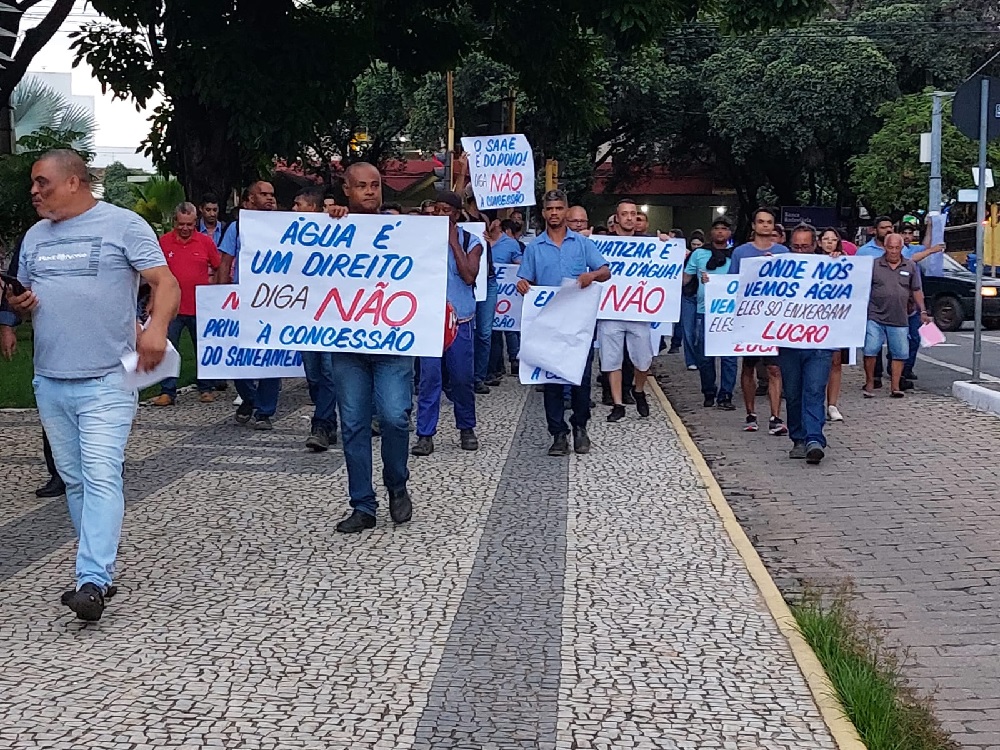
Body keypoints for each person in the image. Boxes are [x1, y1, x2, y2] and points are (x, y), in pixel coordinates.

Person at [6, 149, 180, 621]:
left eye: (42, 182)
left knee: (101, 474)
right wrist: (19, 305)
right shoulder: (35, 236)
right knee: (77, 480)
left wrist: (157, 329)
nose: (34, 191)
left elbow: (165, 283)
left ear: (74, 182)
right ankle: (97, 571)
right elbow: (23, 296)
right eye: (33, 184)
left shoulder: (123, 225)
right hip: (50, 379)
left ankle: (92, 579)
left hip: (106, 379)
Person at [329, 163, 415, 533]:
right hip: (347, 345)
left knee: (395, 416)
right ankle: (363, 504)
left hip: (392, 342)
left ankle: (396, 482)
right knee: (353, 425)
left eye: (375, 185)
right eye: (361, 186)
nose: (369, 191)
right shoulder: (330, 229)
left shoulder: (401, 230)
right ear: (346, 190)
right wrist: (329, 221)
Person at [516, 190, 610, 456]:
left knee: (581, 377)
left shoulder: (581, 244)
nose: (554, 213)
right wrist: (522, 284)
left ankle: (580, 427)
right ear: (544, 213)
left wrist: (592, 275)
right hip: (548, 323)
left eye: (559, 208)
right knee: (552, 380)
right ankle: (557, 433)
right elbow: (525, 279)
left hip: (578, 322)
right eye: (550, 209)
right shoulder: (534, 248)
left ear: (566, 210)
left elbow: (606, 271)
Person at [412, 191, 481, 457]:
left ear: (457, 213)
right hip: (429, 319)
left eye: (446, 210)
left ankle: (466, 427)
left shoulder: (471, 241)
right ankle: (425, 434)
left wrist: (453, 242)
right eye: (437, 209)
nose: (441, 215)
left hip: (460, 319)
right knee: (429, 379)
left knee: (462, 378)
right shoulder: (421, 241)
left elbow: (469, 276)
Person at [1, 234, 65, 498]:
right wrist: (7, 325)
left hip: (99, 338)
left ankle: (104, 465)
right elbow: (14, 286)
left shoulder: (108, 228)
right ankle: (59, 472)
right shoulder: (33, 237)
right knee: (53, 403)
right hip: (50, 337)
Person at [218, 181, 283, 429]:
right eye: (263, 194)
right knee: (238, 356)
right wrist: (221, 297)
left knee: (272, 357)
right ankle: (249, 397)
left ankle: (264, 411)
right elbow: (225, 262)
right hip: (243, 300)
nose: (270, 198)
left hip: (276, 301)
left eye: (272, 194)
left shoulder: (284, 227)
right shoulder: (237, 227)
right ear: (249, 200)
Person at [151, 202, 221, 406]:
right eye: (181, 224)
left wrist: (215, 293)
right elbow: (155, 273)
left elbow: (218, 266)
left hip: (200, 305)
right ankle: (167, 391)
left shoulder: (205, 242)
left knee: (203, 348)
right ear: (175, 222)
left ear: (195, 222)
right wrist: (154, 301)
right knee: (169, 350)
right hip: (171, 307)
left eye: (189, 224)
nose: (185, 228)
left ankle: (206, 388)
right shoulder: (164, 242)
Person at [777, 225, 834, 464]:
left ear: (815, 245)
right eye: (796, 246)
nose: (800, 251)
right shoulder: (779, 268)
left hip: (819, 342)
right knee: (792, 393)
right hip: (789, 342)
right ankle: (798, 439)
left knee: (814, 390)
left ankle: (814, 439)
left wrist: (838, 263)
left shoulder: (829, 266)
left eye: (805, 246)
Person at [729, 207, 789, 435]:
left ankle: (775, 417)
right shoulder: (741, 252)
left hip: (773, 318)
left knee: (774, 368)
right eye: (761, 221)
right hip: (749, 318)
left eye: (769, 222)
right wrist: (710, 282)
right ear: (754, 226)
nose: (765, 225)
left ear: (774, 226)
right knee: (748, 366)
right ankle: (751, 413)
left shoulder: (783, 252)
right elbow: (731, 282)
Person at [291, 187, 339, 451]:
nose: (294, 209)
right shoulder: (289, 234)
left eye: (298, 204)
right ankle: (328, 422)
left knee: (329, 373)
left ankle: (319, 425)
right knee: (313, 375)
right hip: (304, 315)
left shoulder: (334, 230)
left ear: (313, 207)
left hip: (332, 317)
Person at [599, 197, 654, 422]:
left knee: (644, 359)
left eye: (633, 214)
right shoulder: (603, 243)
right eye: (625, 214)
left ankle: (638, 390)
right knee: (611, 359)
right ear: (617, 218)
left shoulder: (649, 244)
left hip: (638, 311)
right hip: (610, 311)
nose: (630, 218)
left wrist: (667, 243)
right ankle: (618, 403)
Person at [864, 233, 931, 398]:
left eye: (897, 248)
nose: (893, 251)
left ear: (902, 248)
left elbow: (916, 290)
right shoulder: (873, 265)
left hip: (900, 316)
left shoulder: (910, 266)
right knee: (870, 349)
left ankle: (895, 387)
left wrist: (922, 310)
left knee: (900, 352)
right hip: (875, 315)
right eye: (890, 247)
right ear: (885, 247)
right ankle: (870, 382)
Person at [684, 217, 737, 409]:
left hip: (730, 313)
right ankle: (708, 391)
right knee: (705, 356)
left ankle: (726, 395)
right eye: (717, 228)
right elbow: (685, 278)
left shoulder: (736, 255)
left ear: (729, 233)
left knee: (729, 357)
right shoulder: (699, 254)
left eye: (724, 228)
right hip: (704, 311)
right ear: (711, 232)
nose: (720, 232)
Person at [488, 218, 524, 378]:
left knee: (508, 328)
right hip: (485, 293)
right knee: (491, 332)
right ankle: (496, 367)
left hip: (507, 296)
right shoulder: (477, 240)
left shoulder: (510, 244)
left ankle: (514, 359)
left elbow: (520, 264)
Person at [819, 227, 847, 421]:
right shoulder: (809, 261)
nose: (829, 243)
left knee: (836, 361)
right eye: (826, 239)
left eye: (833, 239)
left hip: (836, 318)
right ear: (819, 242)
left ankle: (832, 404)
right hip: (813, 319)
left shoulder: (845, 262)